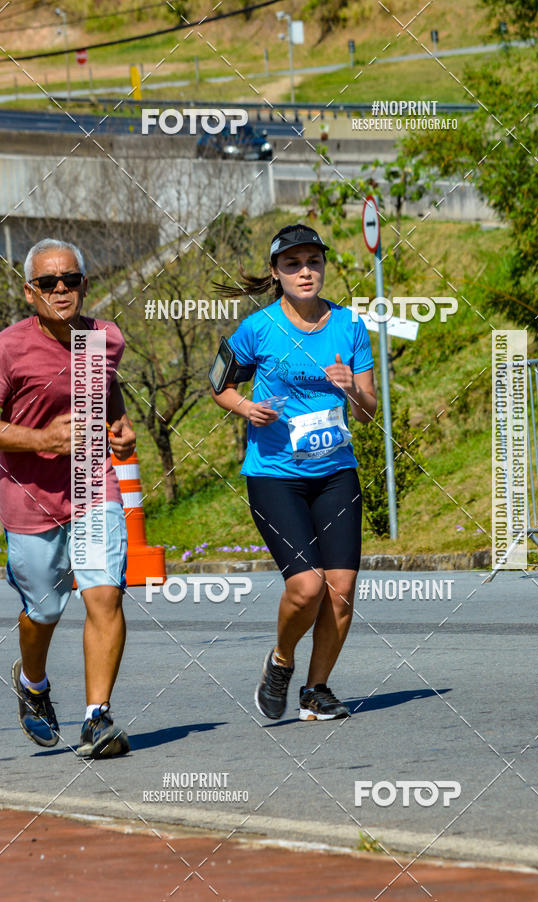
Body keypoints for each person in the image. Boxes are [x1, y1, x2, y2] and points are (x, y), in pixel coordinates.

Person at [212, 223, 377, 721]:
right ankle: (281, 660)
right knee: (307, 587)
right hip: (275, 475)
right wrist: (246, 408)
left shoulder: (349, 325)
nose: (305, 272)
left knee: (340, 589)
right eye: (292, 264)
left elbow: (368, 412)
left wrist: (352, 388)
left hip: (336, 474)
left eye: (313, 262)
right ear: (275, 272)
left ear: (324, 267)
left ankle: (316, 690)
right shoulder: (257, 328)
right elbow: (219, 384)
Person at [1, 238, 135, 758]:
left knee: (104, 593)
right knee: (44, 610)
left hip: (92, 482)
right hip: (27, 494)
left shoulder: (103, 338)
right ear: (29, 291)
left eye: (71, 280)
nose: (61, 289)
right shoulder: (9, 348)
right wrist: (42, 439)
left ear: (84, 284)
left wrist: (119, 426)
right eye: (48, 282)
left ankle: (97, 718)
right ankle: (32, 682)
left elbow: (106, 389)